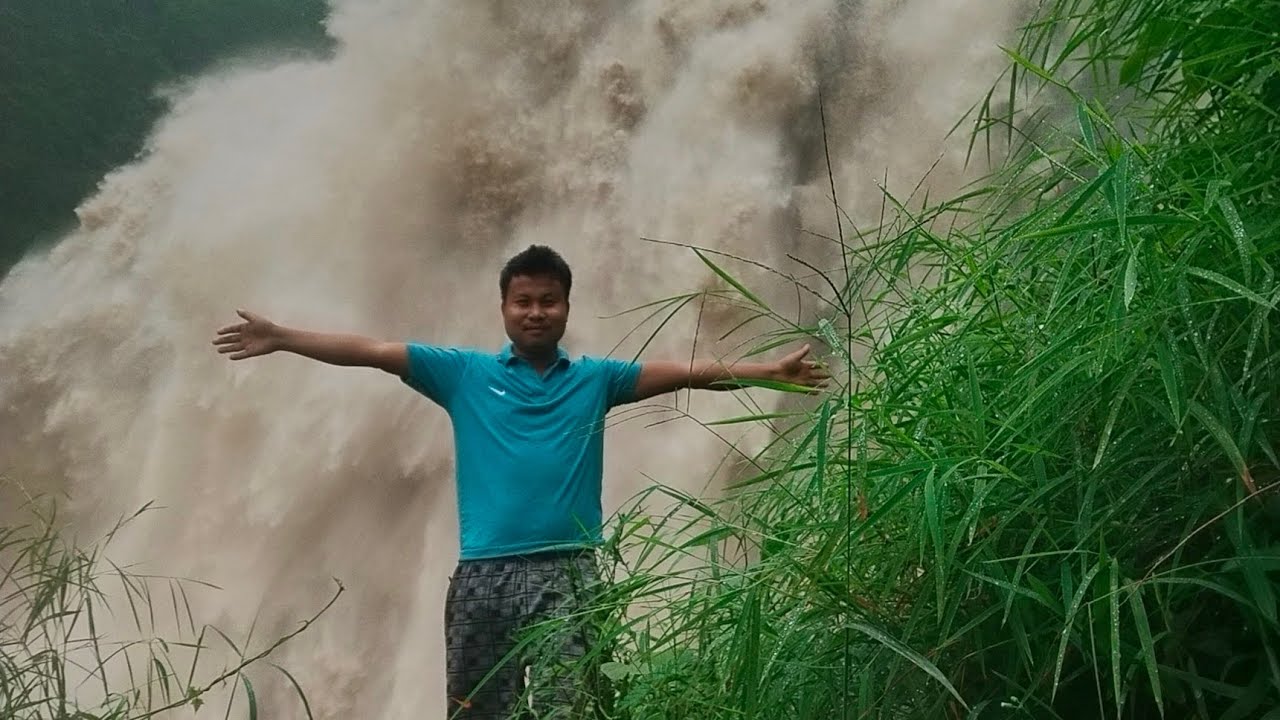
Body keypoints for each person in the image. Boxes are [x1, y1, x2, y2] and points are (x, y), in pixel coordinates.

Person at [212, 244, 828, 718]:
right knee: (476, 710)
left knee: (571, 709)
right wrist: (283, 338)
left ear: (567, 307)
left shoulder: (597, 379)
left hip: (570, 573)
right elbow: (373, 351)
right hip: (484, 575)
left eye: (549, 301)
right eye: (523, 301)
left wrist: (768, 371)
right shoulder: (462, 374)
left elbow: (689, 373)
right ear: (504, 308)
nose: (536, 312)